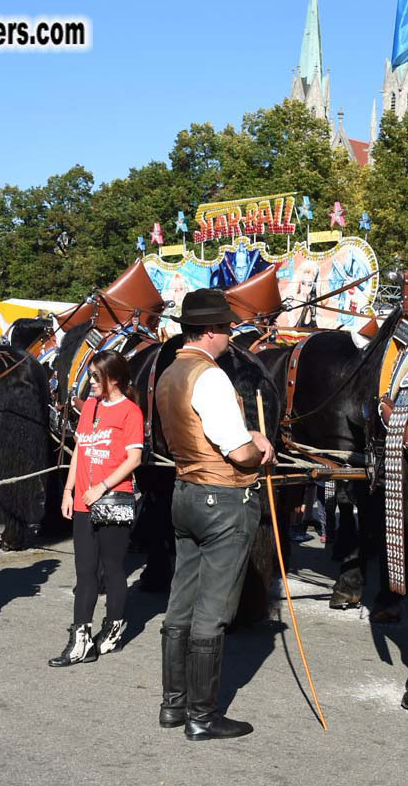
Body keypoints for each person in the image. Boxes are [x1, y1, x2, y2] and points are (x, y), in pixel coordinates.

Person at [154, 288, 275, 740]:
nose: (229, 336)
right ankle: (202, 716)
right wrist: (260, 448)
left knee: (180, 602)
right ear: (208, 331)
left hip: (184, 492)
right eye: (225, 328)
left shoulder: (170, 373)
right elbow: (237, 452)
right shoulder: (211, 376)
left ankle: (174, 704)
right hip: (221, 500)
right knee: (213, 611)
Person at [50, 351, 144, 667]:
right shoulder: (90, 407)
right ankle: (81, 640)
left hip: (113, 499)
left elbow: (134, 459)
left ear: (113, 378)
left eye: (95, 376)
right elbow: (80, 449)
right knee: (85, 571)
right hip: (83, 500)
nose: (89, 382)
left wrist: (101, 487)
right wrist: (68, 490)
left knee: (113, 568)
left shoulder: (130, 412)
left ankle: (112, 630)